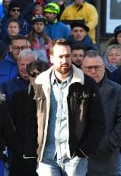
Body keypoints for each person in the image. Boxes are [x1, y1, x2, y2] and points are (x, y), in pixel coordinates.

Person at [24, 39, 105, 176]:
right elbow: (30, 120)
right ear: (51, 58)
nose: (64, 60)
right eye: (60, 56)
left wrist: (84, 151)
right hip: (46, 156)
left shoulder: (86, 83)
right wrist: (33, 149)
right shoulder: (39, 83)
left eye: (68, 56)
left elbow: (98, 121)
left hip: (75, 156)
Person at [80, 50, 121, 176]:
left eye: (97, 67)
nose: (93, 71)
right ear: (82, 69)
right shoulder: (72, 89)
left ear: (104, 68)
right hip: (77, 155)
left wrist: (109, 142)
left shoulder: (119, 92)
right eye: (89, 68)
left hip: (105, 156)